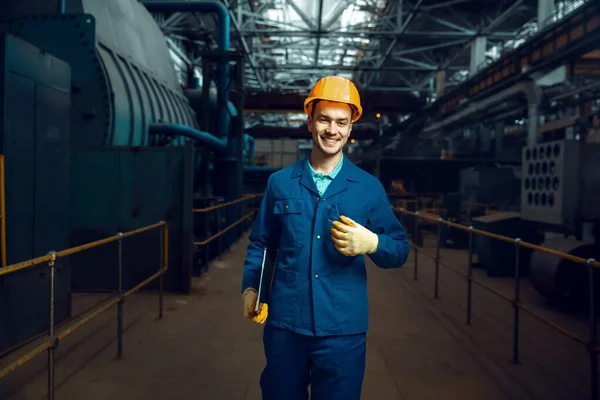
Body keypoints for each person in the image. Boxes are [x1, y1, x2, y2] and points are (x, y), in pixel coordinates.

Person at [241, 76, 410, 400]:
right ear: (310, 121)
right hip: (286, 324)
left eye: (341, 122)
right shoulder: (281, 183)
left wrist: (374, 243)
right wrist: (251, 287)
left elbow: (401, 249)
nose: (332, 130)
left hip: (342, 330)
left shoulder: (367, 187)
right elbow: (261, 244)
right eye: (324, 120)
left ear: (351, 128)